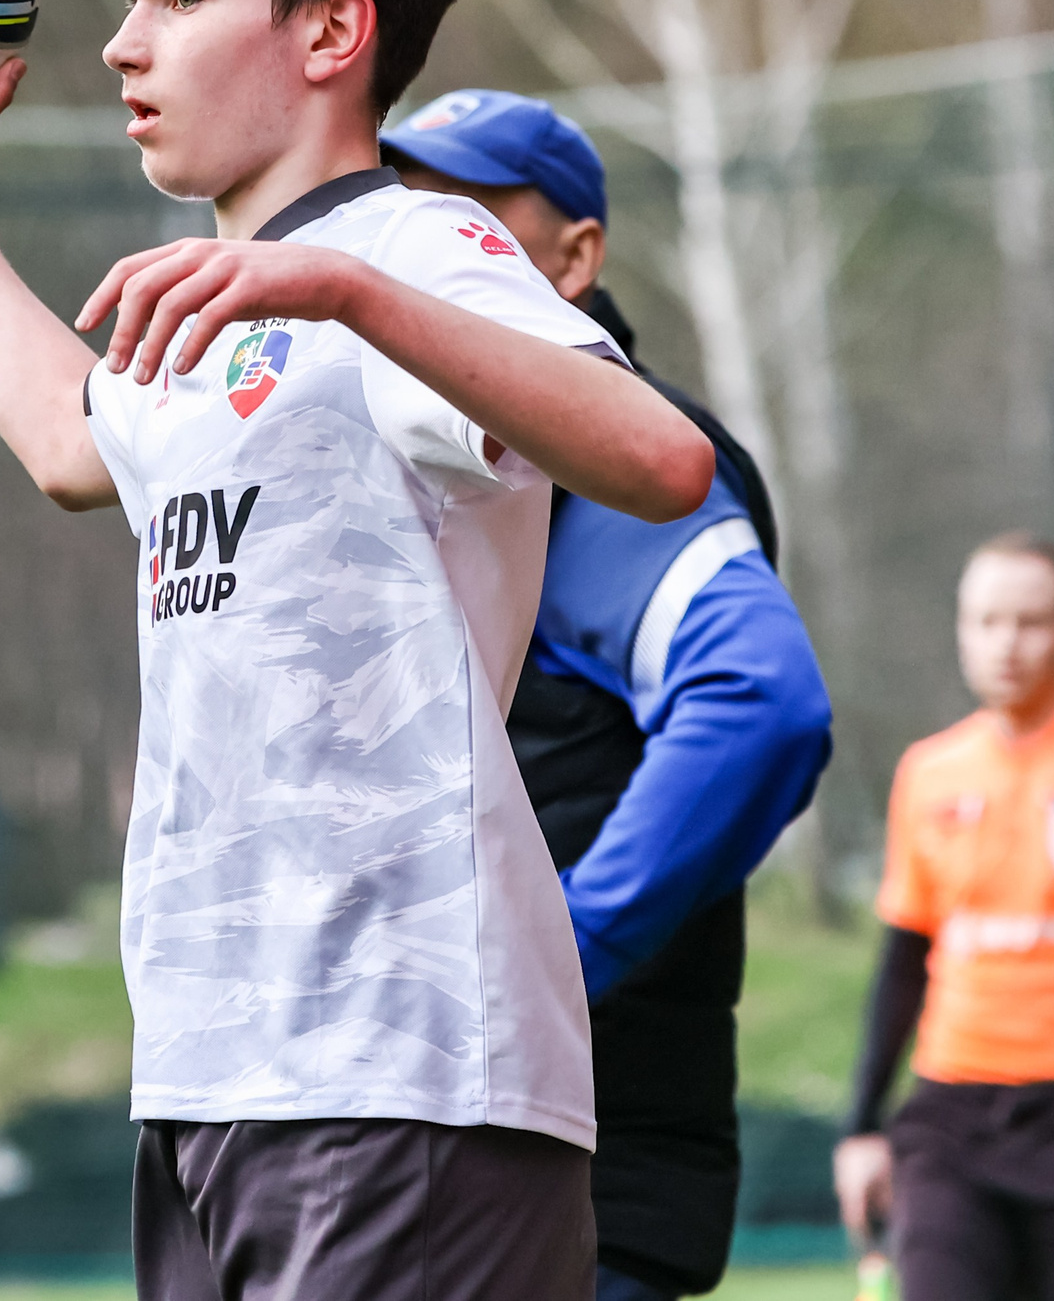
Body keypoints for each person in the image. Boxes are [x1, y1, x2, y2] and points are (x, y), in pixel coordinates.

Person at [0, 0, 715, 1300]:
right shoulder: (221, 312)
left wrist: (347, 293)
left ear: (332, 33)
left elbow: (664, 457)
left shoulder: (418, 251)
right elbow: (75, 440)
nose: (120, 44)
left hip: (405, 1070)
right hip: (218, 1068)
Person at [382, 90, 835, 1301]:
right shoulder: (448, 450)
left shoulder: (596, 466)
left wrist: (556, 957)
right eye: (403, 210)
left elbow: (759, 704)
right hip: (450, 1172)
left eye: (470, 219)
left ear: (575, 257)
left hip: (559, 1195)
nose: (424, 244)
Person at [832, 534, 1054, 1301]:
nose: (1008, 642)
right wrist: (862, 1124)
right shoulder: (927, 771)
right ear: (962, 629)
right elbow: (904, 960)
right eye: (987, 620)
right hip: (950, 1115)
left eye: (1031, 621)